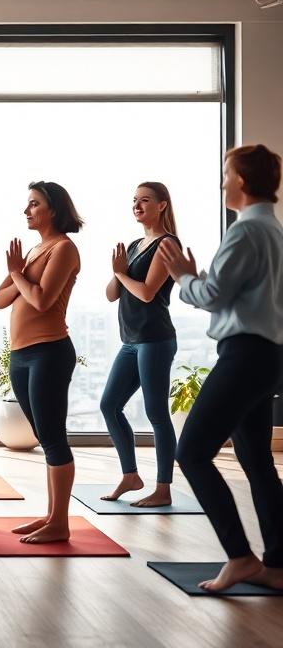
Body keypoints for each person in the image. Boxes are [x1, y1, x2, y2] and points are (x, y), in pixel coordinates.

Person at [159, 144, 283, 592]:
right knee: (255, 460)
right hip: (268, 357)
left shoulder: (246, 232)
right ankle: (278, 562)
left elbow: (211, 294)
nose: (222, 182)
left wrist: (182, 277)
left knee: (190, 452)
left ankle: (240, 557)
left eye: (226, 173)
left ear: (243, 182)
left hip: (245, 355)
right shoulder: (274, 231)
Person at [0, 180, 82, 544]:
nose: (27, 211)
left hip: (49, 352)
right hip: (22, 355)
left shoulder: (63, 249)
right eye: (27, 204)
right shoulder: (32, 252)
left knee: (53, 436)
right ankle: (50, 515)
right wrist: (20, 273)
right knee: (45, 438)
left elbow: (42, 300)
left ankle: (60, 522)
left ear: (54, 210)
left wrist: (17, 273)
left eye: (34, 204)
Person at [100, 183, 181, 507]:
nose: (137, 205)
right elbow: (110, 293)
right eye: (134, 200)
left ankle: (163, 489)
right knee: (110, 405)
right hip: (131, 341)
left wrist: (121, 275)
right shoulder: (134, 245)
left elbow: (147, 292)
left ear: (162, 205)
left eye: (144, 200)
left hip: (156, 340)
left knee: (156, 413)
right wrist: (117, 274)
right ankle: (130, 475)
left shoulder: (167, 244)